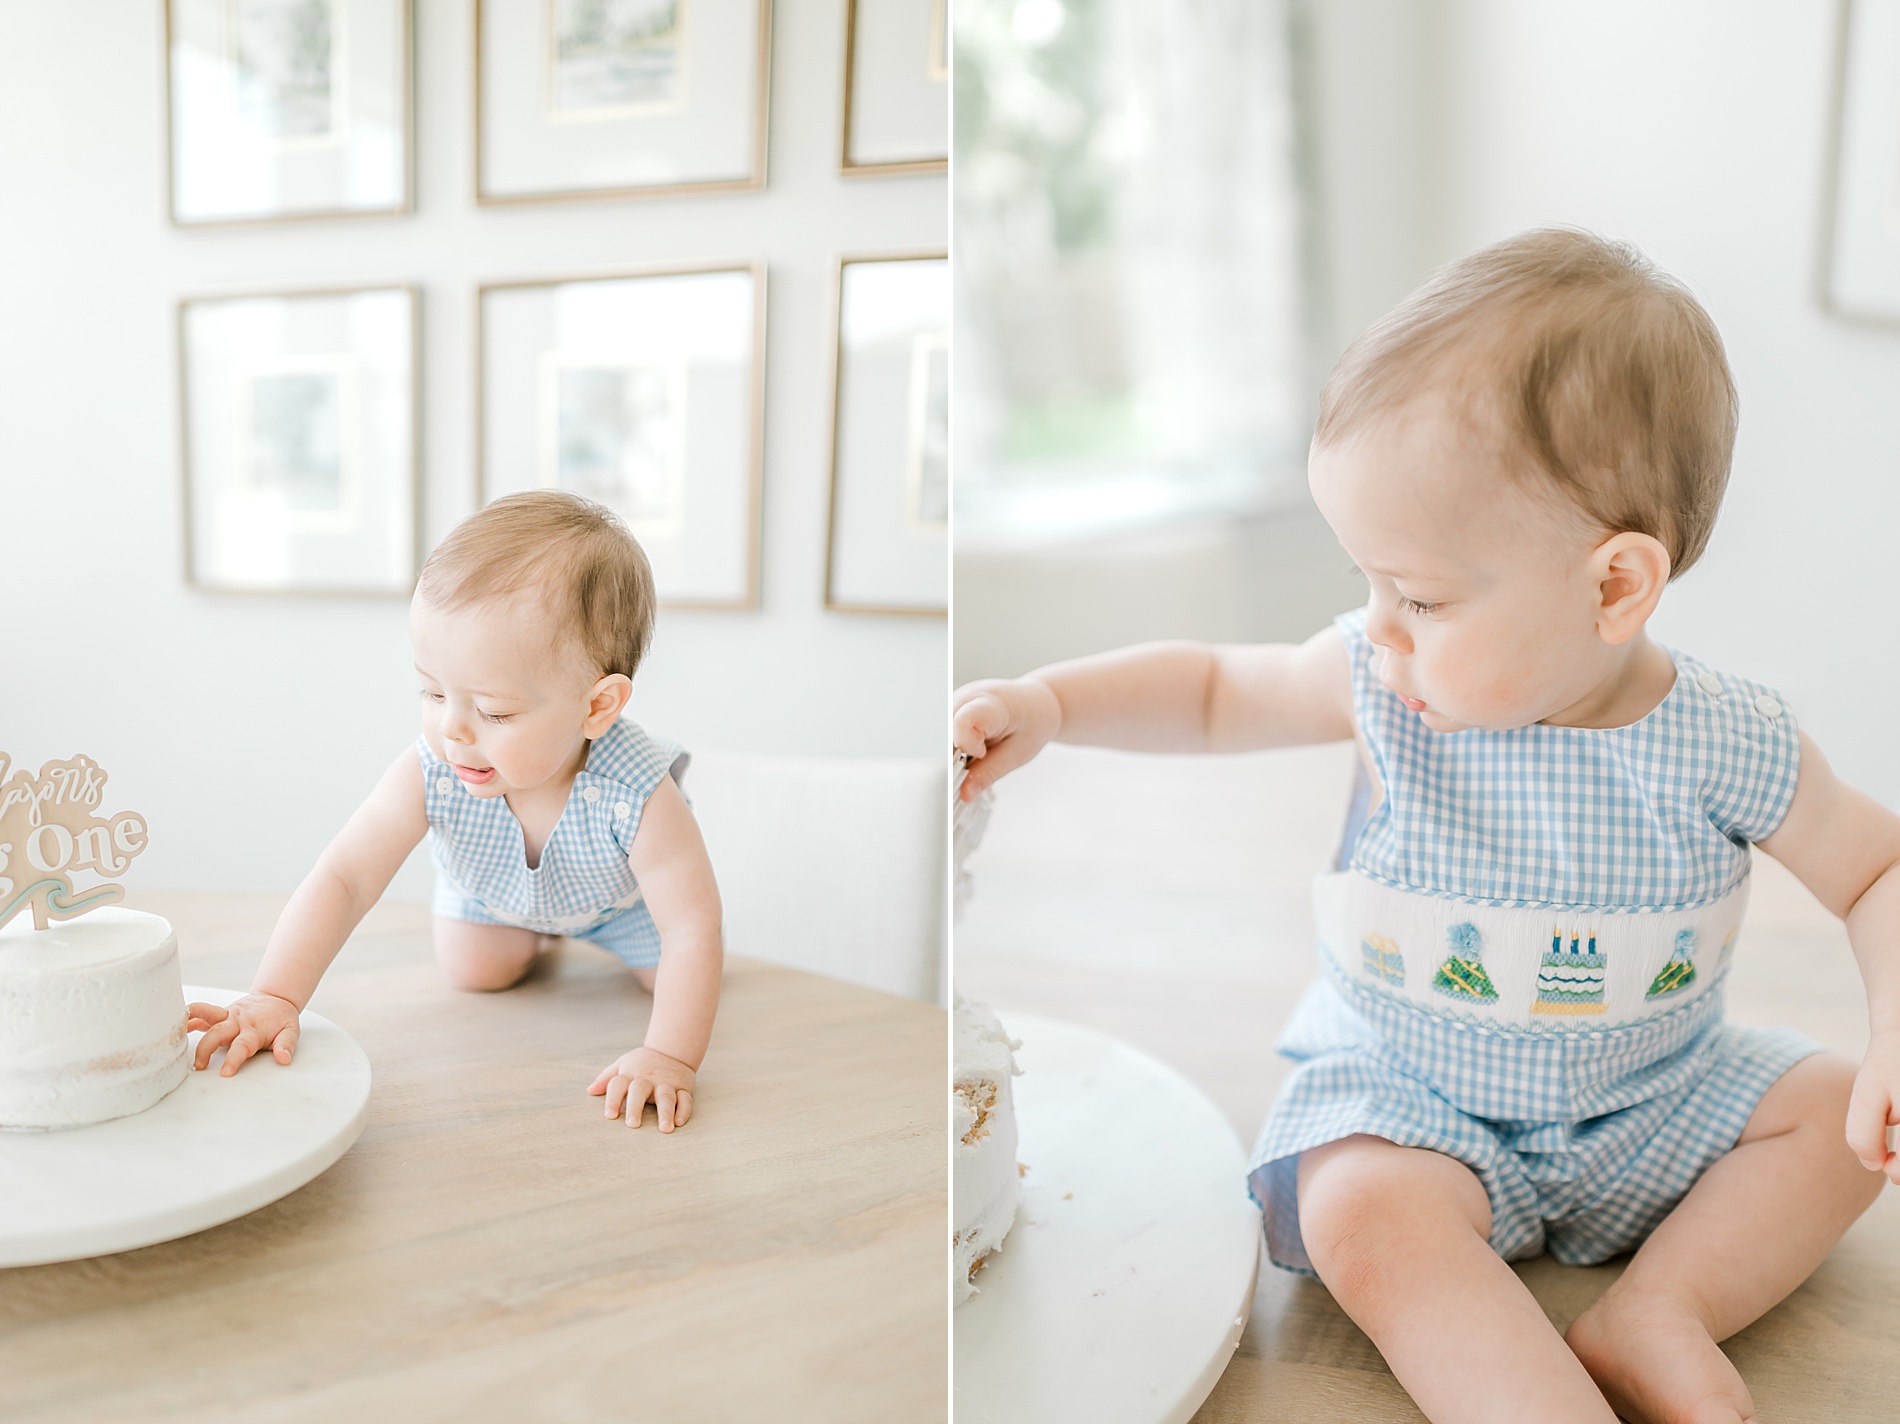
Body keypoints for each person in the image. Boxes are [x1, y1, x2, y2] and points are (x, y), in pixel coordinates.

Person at [953, 230, 1896, 1421]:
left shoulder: (1727, 739)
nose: (1377, 625)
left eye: (1420, 594)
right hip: (1416, 1102)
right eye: (1366, 583)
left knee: (1837, 1119)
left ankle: (1664, 1305)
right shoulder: (1375, 678)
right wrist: (1050, 702)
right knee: (1361, 1207)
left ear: (1614, 586)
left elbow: (1876, 869)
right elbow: (1210, 688)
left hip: (1659, 1097)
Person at [190, 491, 721, 1134]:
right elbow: (346, 877)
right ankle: (532, 935)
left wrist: (668, 1056)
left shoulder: (637, 792)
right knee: (477, 972)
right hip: (493, 895)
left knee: (672, 982)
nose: (453, 730)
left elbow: (692, 926)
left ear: (598, 707)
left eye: (494, 712)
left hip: (621, 908)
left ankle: (586, 946)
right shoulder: (430, 767)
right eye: (432, 691)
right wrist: (275, 994)